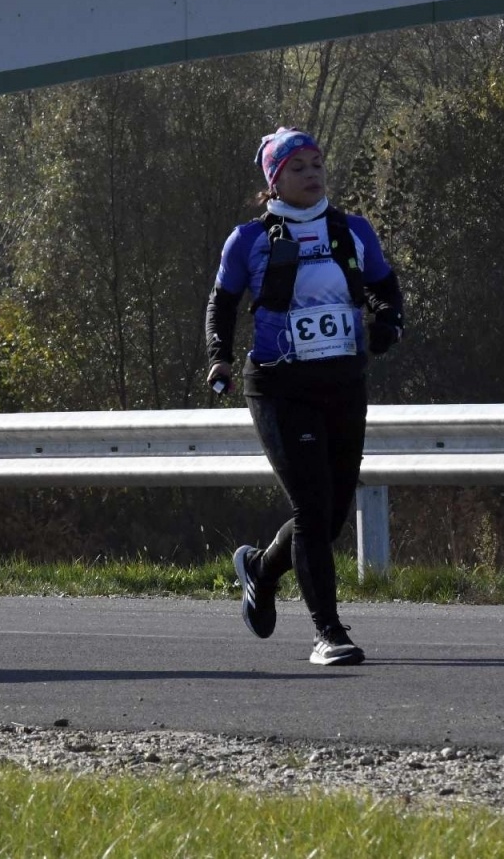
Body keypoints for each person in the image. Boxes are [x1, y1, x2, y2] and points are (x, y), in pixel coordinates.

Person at [204, 127, 404, 666]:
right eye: (298, 167)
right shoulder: (248, 240)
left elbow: (385, 289)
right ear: (274, 180)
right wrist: (219, 356)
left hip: (342, 381)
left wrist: (388, 322)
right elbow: (222, 303)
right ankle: (328, 632)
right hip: (278, 384)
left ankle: (262, 569)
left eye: (317, 164)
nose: (312, 173)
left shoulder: (352, 231)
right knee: (311, 508)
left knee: (332, 514)